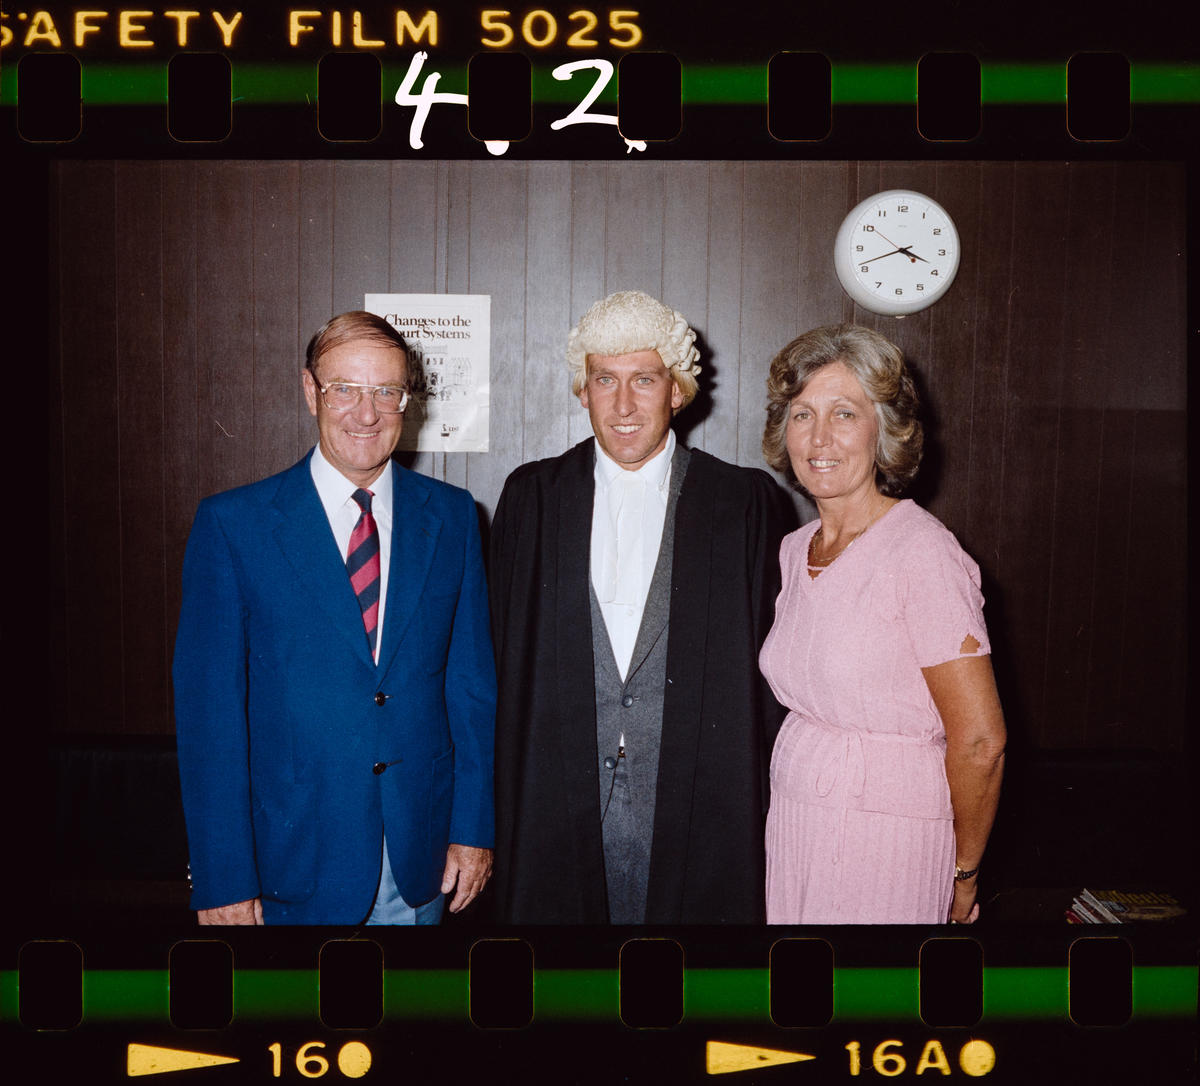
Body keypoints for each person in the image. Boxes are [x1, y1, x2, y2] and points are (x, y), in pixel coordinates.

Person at [173, 311, 496, 925]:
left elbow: (471, 689)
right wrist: (222, 877)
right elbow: (209, 719)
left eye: (385, 392)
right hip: (285, 871)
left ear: (408, 401)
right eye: (344, 388)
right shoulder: (234, 526)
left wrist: (473, 829)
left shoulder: (453, 518)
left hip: (420, 865)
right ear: (309, 391)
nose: (365, 413)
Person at [489, 289, 797, 924]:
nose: (623, 404)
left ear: (677, 390)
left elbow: (772, 678)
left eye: (645, 380)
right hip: (557, 802)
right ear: (583, 390)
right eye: (605, 379)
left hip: (698, 807)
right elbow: (498, 666)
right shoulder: (533, 498)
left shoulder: (740, 503)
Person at [759, 324, 1005, 924]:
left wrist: (964, 875)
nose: (818, 438)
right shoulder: (796, 548)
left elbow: (980, 742)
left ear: (884, 430)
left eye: (844, 413)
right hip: (798, 818)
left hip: (887, 836)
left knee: (870, 1013)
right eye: (801, 415)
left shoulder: (921, 552)